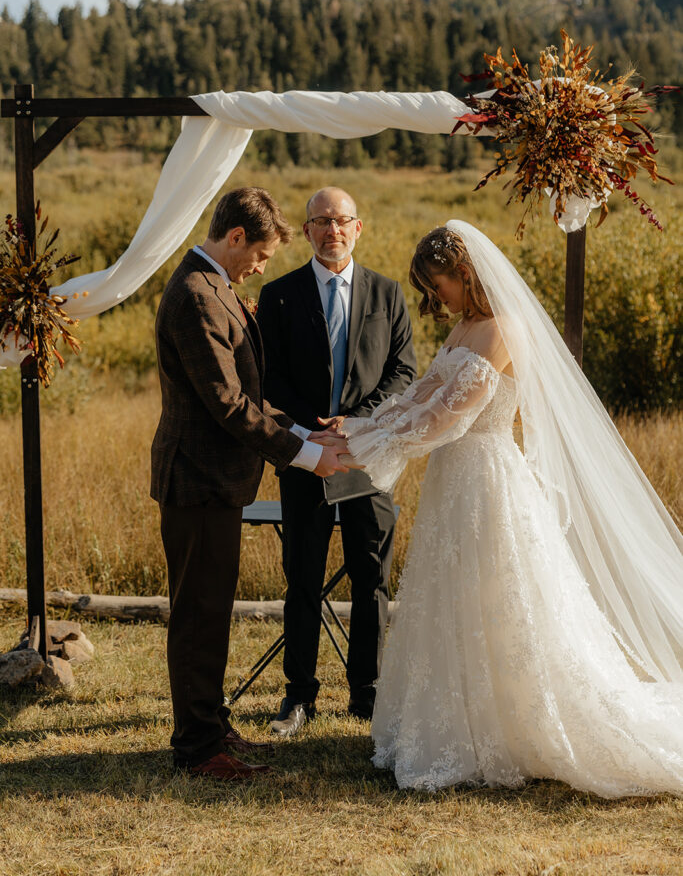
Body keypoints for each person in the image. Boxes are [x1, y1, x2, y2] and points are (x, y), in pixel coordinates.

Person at [341, 220, 683, 797]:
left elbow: (450, 417)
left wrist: (365, 444)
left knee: (504, 598)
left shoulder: (503, 329)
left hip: (489, 479)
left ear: (466, 274)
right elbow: (420, 397)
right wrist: (356, 428)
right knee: (454, 596)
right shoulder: (462, 328)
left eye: (439, 284)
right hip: (454, 479)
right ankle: (462, 720)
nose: (435, 297)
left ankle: (517, 723)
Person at [150, 186, 348, 781]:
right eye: (258, 255)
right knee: (199, 614)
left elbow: (253, 400)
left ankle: (210, 726)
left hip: (217, 481)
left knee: (211, 609)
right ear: (235, 237)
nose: (261, 268)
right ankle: (198, 748)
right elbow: (230, 406)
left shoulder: (214, 288)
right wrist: (308, 458)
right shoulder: (195, 296)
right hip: (198, 480)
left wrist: (308, 437)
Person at [257, 186, 417, 734]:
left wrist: (359, 424)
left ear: (358, 227)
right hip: (305, 457)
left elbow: (402, 374)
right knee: (302, 576)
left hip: (369, 460)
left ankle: (366, 694)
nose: (332, 230)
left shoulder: (388, 294)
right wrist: (310, 434)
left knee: (371, 577)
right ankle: (299, 696)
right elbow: (269, 378)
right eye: (321, 221)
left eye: (342, 221)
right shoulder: (277, 296)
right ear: (305, 231)